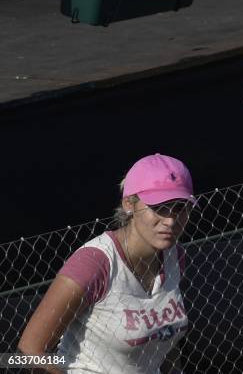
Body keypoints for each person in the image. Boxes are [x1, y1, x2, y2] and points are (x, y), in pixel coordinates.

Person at [18, 153, 196, 373]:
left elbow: (164, 338)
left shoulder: (174, 255)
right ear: (129, 203)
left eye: (180, 207)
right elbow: (27, 352)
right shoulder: (93, 263)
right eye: (158, 207)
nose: (170, 220)